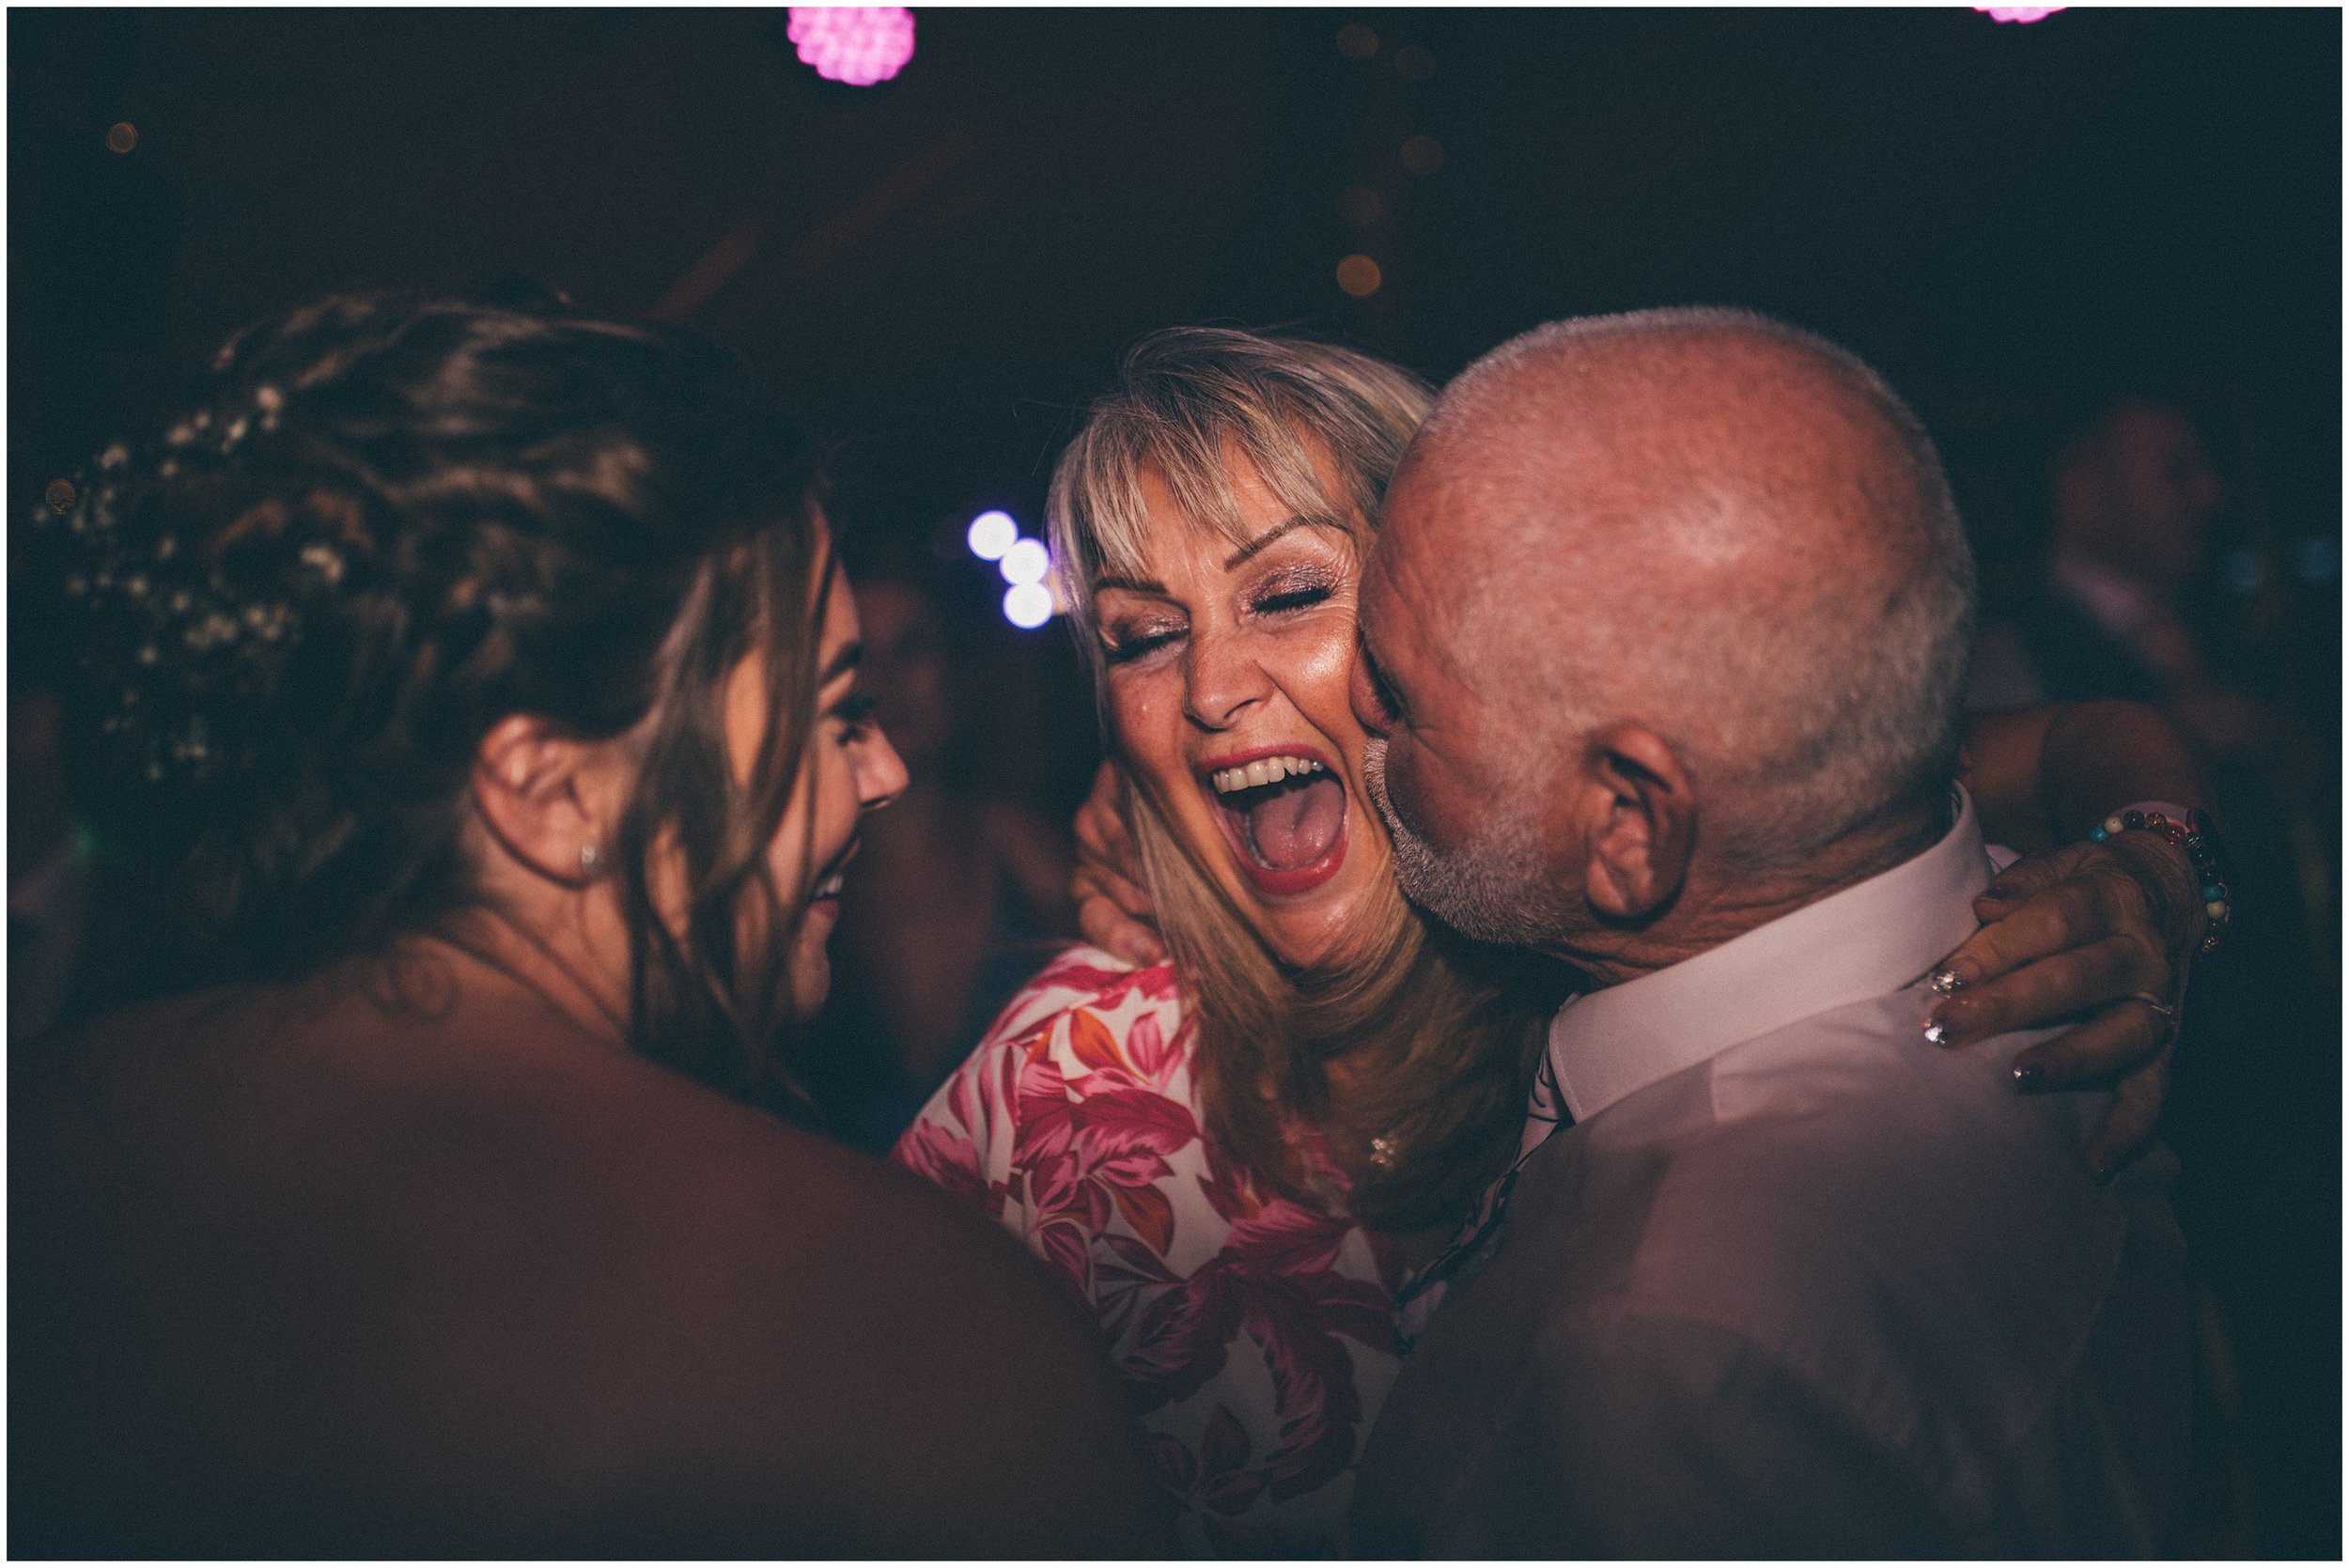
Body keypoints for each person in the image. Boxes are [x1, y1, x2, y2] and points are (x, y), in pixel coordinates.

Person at [892, 328, 2212, 1554]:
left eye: (1288, 593)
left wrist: (2156, 859)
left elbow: (1992, 745)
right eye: (1142, 635)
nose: (1211, 690)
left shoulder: (1612, 908)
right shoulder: (1063, 1101)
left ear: (1453, 617)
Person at [8, 292, 1168, 1557]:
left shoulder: (50, 1134)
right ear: (549, 788)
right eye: (835, 712)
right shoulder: (901, 1329)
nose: (882, 770)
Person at [1346, 309, 2199, 1555]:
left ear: (1630, 830)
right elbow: (2100, 739)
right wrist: (2172, 848)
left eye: (1404, 696)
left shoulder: (1666, 1349)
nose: (1351, 696)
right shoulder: (2043, 902)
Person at [792, 551, 1077, 1153]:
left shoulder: (1026, 854)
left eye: (912, 648)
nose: (888, 682)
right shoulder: (793, 885)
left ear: (959, 667)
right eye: (862, 657)